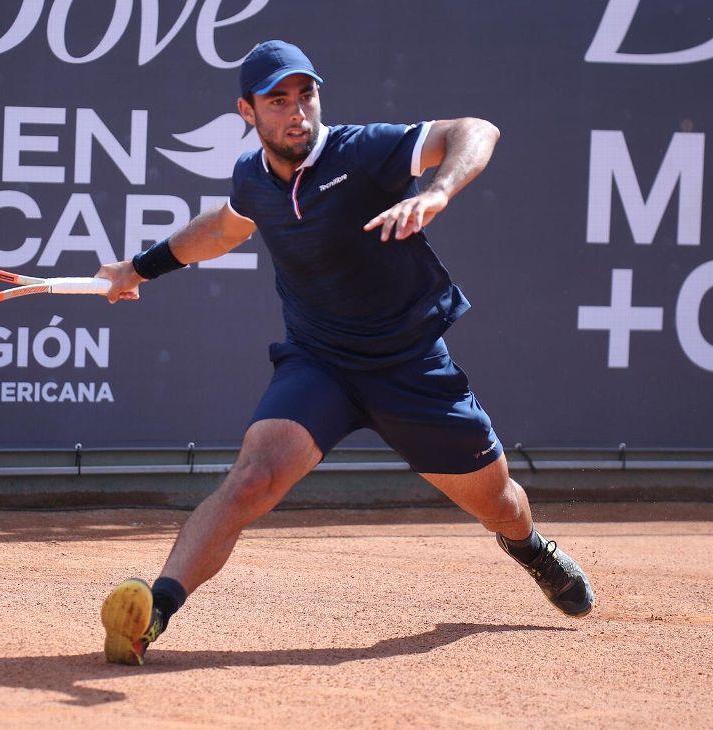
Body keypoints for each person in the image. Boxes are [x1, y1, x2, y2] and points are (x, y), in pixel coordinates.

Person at [94, 40, 594, 666]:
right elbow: (224, 228)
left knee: (499, 504)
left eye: (306, 95)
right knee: (253, 478)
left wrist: (436, 193)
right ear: (248, 112)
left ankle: (528, 547)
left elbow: (476, 130)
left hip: (408, 366)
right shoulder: (253, 177)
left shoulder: (361, 151)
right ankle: (156, 609)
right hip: (320, 364)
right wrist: (139, 269)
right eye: (278, 100)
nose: (297, 111)